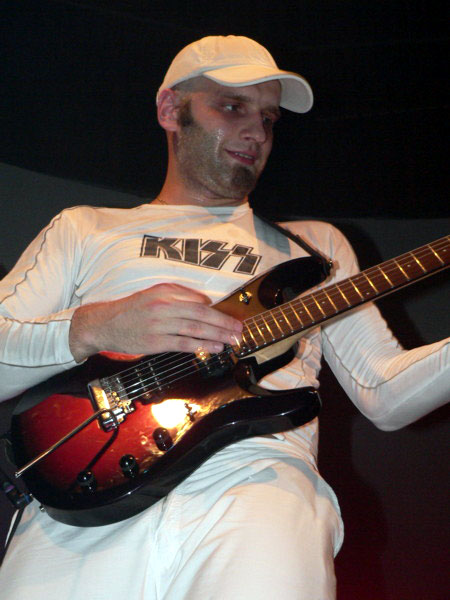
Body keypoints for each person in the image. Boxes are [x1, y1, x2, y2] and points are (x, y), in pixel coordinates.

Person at [0, 35, 448, 600]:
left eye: (268, 118)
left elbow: (385, 393)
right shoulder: (85, 228)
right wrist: (98, 326)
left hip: (257, 483)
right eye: (232, 107)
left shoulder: (316, 247)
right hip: (83, 491)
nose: (256, 132)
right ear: (171, 109)